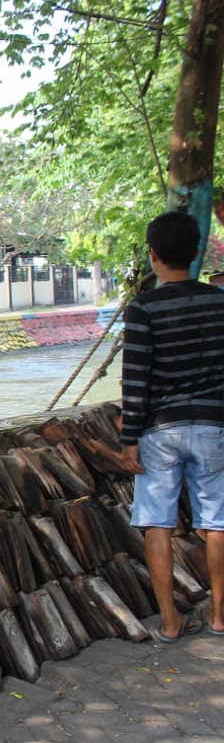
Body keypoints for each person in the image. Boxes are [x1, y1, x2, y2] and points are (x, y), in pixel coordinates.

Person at [119, 212, 224, 643]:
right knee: (217, 521)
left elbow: (136, 378)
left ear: (153, 255)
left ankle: (169, 623)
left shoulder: (143, 308)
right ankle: (220, 617)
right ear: (197, 252)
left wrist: (129, 440)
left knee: (156, 523)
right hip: (214, 426)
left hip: (160, 431)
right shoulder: (220, 302)